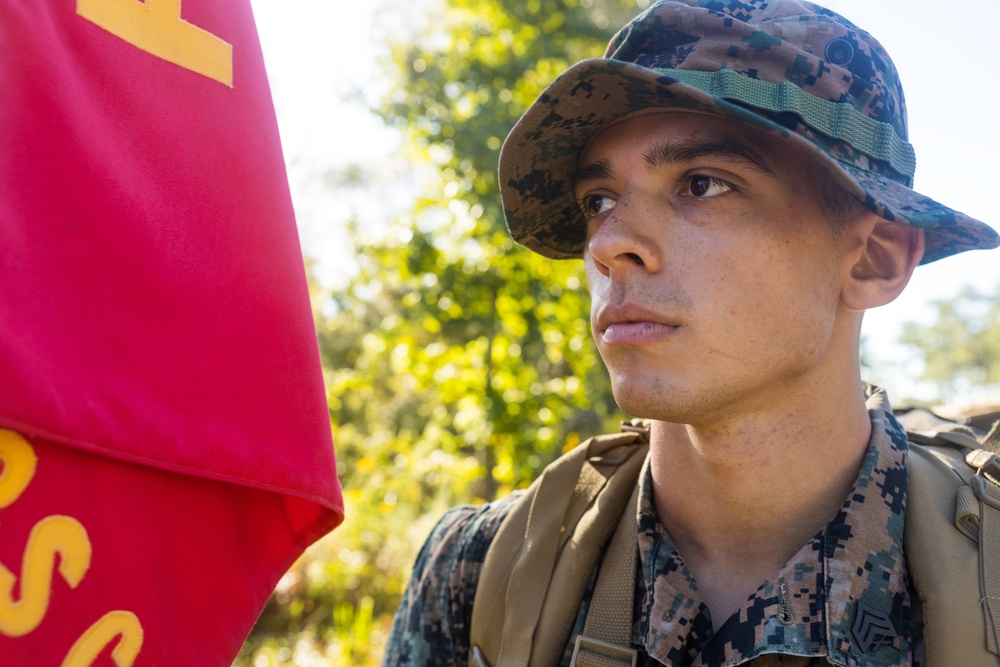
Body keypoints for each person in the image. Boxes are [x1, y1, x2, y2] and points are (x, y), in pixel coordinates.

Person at [382, 1, 1000, 665]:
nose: (611, 243)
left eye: (702, 184)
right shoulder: (478, 573)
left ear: (874, 257)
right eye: (599, 201)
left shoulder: (983, 573)